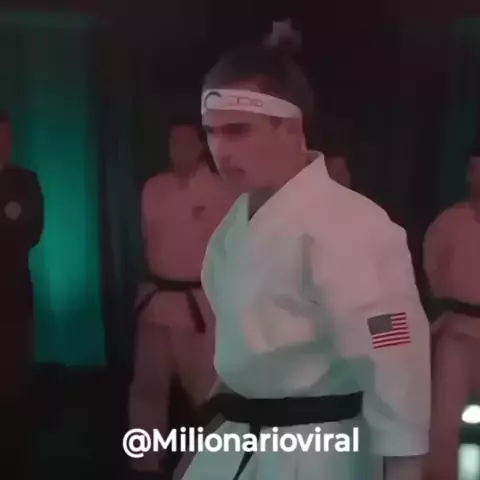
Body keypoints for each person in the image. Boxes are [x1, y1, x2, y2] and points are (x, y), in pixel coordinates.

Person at [177, 36, 431, 480]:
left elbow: (396, 363)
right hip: (237, 437)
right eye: (211, 132)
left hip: (319, 452)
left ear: (291, 128)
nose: (220, 149)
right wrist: (205, 440)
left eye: (237, 130)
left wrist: (404, 473)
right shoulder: (235, 224)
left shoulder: (351, 226)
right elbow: (244, 355)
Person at [128, 121, 234, 479]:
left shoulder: (221, 189)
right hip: (158, 300)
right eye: (174, 141)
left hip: (199, 304)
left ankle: (216, 462)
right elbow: (147, 240)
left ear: (201, 146)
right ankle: (144, 461)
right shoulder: (153, 188)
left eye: (187, 141)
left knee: (208, 392)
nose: (179, 148)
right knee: (148, 388)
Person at [423, 153, 480, 480]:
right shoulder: (450, 223)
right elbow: (433, 279)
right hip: (457, 332)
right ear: (470, 173)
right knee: (443, 423)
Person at [0, 112, 44, 477]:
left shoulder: (24, 181)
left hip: (13, 294)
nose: (4, 144)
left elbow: (30, 233)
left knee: (14, 378)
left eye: (7, 137)